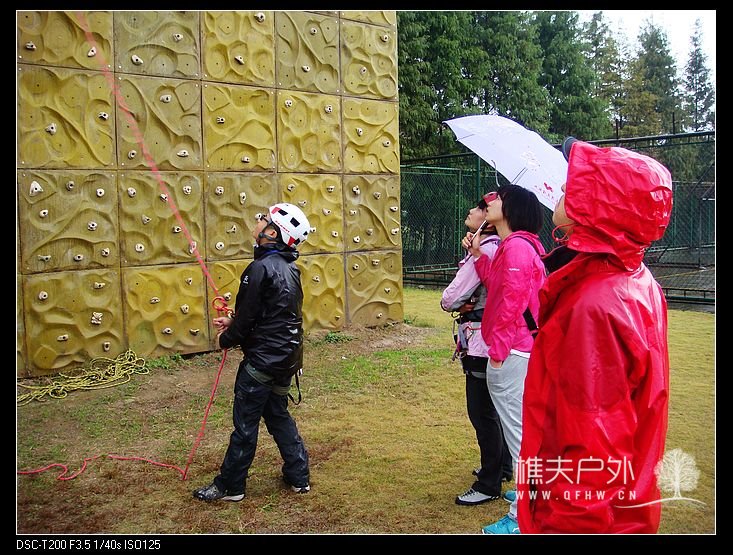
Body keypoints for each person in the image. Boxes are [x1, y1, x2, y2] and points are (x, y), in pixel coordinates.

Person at [516, 138, 674, 533]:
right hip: (623, 510)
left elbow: (590, 449)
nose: (563, 186)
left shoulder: (594, 305)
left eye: (579, 182)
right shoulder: (635, 279)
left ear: (603, 205)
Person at [193, 203, 312, 502]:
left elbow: (249, 320)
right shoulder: (290, 268)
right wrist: (235, 321)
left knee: (245, 425)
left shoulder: (259, 268)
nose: (257, 221)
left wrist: (226, 338)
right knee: (278, 415)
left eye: (263, 219)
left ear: (272, 233)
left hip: (263, 362)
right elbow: (272, 313)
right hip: (285, 359)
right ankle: (299, 477)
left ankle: (231, 486)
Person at [465, 184, 546, 534]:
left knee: (519, 435)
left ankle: (523, 515)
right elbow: (498, 285)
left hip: (511, 351)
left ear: (511, 208)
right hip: (518, 349)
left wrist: (497, 352)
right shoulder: (518, 246)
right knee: (522, 430)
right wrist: (478, 255)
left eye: (497, 199)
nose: (490, 203)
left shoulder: (515, 248)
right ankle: (532, 496)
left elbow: (509, 305)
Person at [441, 192, 514, 506]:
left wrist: (473, 257)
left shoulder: (487, 248)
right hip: (495, 339)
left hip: (482, 341)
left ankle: (489, 482)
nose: (473, 210)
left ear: (491, 219)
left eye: (482, 207)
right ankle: (503, 466)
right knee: (496, 409)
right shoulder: (500, 247)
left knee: (482, 412)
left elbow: (451, 297)